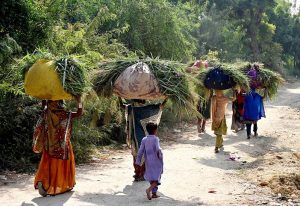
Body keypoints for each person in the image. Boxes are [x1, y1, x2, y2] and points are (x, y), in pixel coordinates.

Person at [33, 96, 83, 196]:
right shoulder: (64, 114)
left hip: (49, 146)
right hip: (63, 146)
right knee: (62, 166)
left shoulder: (46, 113)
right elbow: (79, 113)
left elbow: (44, 107)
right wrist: (79, 101)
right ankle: (65, 184)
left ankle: (43, 182)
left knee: (47, 165)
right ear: (60, 102)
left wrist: (44, 96)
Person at [120, 98, 167, 182]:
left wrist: (119, 96)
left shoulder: (131, 109)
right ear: (143, 101)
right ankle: (141, 174)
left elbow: (121, 106)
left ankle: (139, 173)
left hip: (134, 138)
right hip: (143, 138)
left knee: (136, 155)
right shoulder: (146, 110)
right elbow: (160, 107)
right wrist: (167, 98)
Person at [136, 122, 163, 200]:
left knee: (152, 177)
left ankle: (154, 194)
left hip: (148, 161)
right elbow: (158, 149)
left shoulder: (144, 139)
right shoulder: (155, 139)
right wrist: (160, 155)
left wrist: (138, 161)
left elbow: (140, 151)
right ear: (155, 130)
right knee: (157, 177)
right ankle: (149, 190)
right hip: (156, 161)